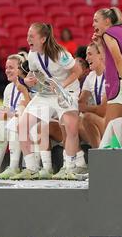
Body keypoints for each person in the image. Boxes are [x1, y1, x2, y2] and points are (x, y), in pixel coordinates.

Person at [10, 23, 84, 181]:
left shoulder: (60, 53)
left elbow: (77, 70)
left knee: (70, 128)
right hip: (46, 94)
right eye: (27, 35)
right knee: (21, 126)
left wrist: (61, 87)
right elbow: (34, 73)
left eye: (32, 36)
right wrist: (30, 80)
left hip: (67, 90)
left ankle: (69, 168)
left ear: (43, 39)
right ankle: (31, 169)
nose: (27, 38)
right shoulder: (32, 55)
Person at [92, 7, 122, 129]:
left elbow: (119, 61)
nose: (93, 24)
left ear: (107, 21)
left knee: (109, 130)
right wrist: (99, 45)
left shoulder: (109, 34)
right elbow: (110, 62)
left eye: (96, 20)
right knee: (119, 131)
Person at [78, 42, 107, 149]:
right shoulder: (91, 76)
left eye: (90, 54)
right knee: (70, 120)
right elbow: (80, 104)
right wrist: (95, 108)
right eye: (86, 54)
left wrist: (87, 108)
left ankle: (98, 155)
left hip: (111, 122)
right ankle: (76, 159)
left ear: (100, 55)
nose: (86, 58)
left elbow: (103, 111)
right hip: (100, 121)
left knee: (87, 117)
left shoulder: (111, 75)